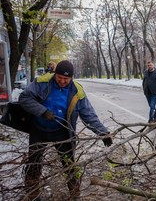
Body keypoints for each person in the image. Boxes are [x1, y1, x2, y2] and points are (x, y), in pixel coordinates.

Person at [18, 60, 113, 200]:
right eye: (60, 78)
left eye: (66, 79)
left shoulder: (77, 91)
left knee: (69, 165)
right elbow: (24, 98)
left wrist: (102, 132)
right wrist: (43, 111)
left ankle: (74, 194)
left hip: (62, 131)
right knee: (34, 163)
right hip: (39, 129)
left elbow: (88, 114)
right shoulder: (42, 82)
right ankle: (32, 194)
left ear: (71, 78)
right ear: (55, 74)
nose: (62, 81)